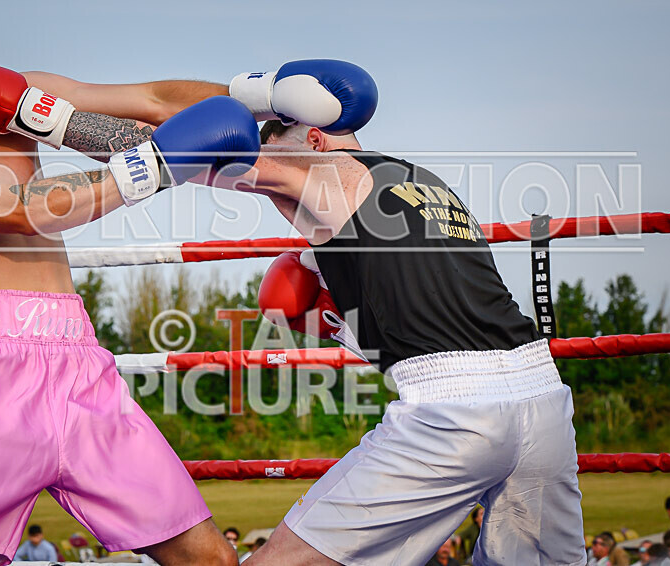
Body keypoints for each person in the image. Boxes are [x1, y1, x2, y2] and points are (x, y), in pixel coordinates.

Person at [0, 32, 373, 564]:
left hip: (82, 366)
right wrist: (156, 163)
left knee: (211, 560)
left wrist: (268, 99)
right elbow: (21, 210)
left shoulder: (7, 97)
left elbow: (154, 103)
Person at [204, 118, 586, 565]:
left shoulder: (334, 178)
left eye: (276, 155)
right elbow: (424, 320)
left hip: (455, 411)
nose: (281, 193)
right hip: (541, 395)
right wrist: (339, 319)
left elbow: (213, 158)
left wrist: (132, 146)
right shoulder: (424, 183)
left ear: (313, 140)